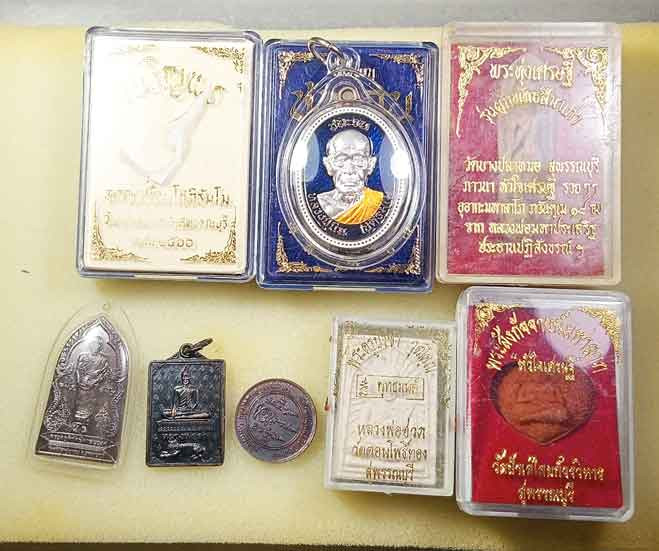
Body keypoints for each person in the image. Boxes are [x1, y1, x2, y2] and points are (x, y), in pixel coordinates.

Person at [317, 129, 385, 225]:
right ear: (328, 165)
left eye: (358, 160)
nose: (349, 170)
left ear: (370, 164)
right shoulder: (321, 203)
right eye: (340, 160)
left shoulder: (378, 203)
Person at [72, 335, 110, 423]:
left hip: (94, 385)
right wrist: (79, 380)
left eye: (97, 344)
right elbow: (78, 370)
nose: (94, 346)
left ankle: (88, 417)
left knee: (90, 400)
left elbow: (103, 374)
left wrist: (94, 381)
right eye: (93, 344)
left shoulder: (103, 360)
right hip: (82, 384)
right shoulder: (83, 356)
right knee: (81, 399)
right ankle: (78, 415)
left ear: (100, 346)